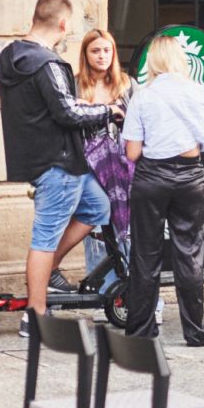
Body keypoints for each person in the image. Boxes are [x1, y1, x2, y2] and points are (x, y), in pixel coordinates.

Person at [0, 0, 118, 323]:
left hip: (39, 158)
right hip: (59, 162)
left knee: (98, 207)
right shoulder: (47, 63)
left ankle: (48, 271)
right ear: (63, 24)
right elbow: (66, 111)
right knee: (45, 237)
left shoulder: (10, 56)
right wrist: (107, 111)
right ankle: (35, 316)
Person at [121, 33, 204, 346]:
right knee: (189, 254)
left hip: (151, 177)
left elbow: (132, 153)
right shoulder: (201, 93)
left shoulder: (143, 96)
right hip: (190, 177)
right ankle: (195, 331)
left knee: (144, 255)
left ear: (152, 60)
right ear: (181, 59)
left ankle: (140, 330)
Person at [77, 28, 133, 290]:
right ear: (86, 54)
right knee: (98, 227)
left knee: (127, 226)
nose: (102, 56)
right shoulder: (76, 84)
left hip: (124, 164)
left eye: (106, 50)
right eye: (95, 51)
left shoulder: (126, 83)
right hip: (89, 166)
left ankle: (129, 286)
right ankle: (104, 289)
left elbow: (141, 121)